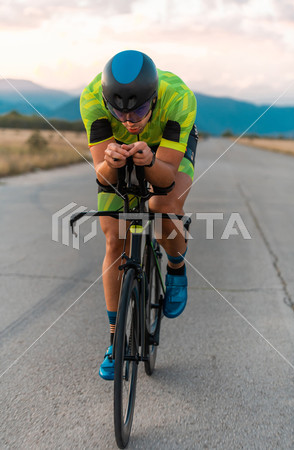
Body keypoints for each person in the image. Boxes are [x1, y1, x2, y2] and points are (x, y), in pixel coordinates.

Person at [80, 50, 197, 380]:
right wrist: (110, 163)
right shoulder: (92, 99)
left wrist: (148, 162)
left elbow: (166, 178)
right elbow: (103, 177)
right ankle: (116, 340)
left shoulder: (178, 98)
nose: (130, 121)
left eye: (140, 110)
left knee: (161, 206)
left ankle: (176, 265)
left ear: (154, 98)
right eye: (120, 113)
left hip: (165, 149)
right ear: (107, 101)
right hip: (118, 150)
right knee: (114, 238)